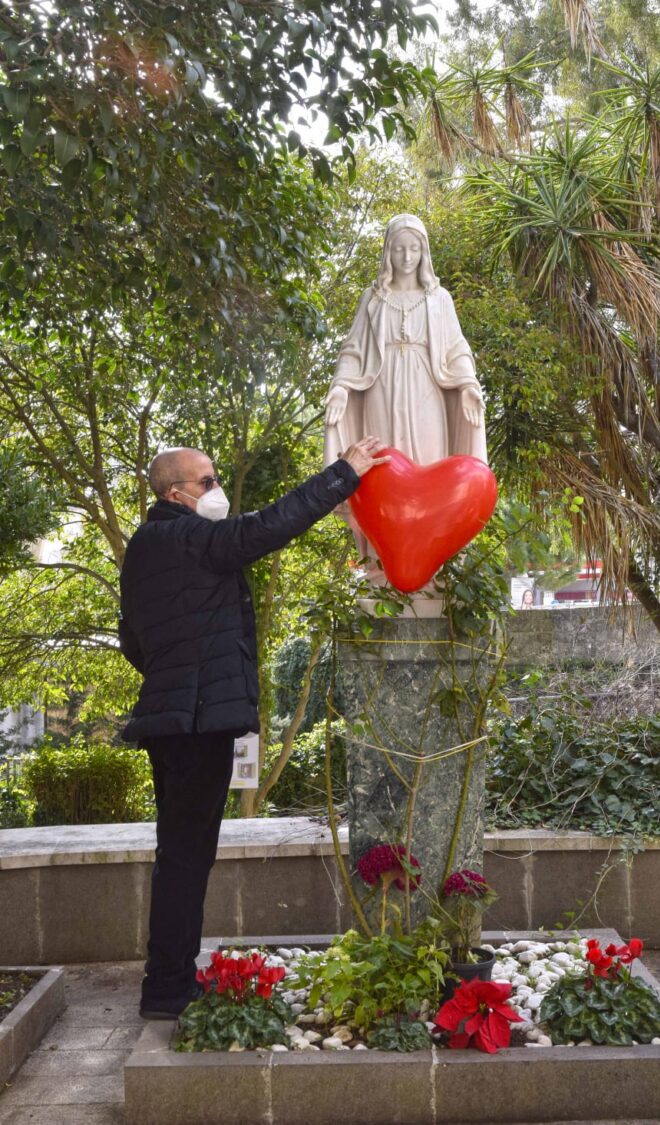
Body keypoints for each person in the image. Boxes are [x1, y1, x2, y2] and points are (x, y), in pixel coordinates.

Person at [118, 437, 388, 1019]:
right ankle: (166, 990)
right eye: (207, 482)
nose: (217, 491)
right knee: (188, 858)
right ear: (176, 493)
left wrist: (180, 675)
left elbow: (132, 641)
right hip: (197, 724)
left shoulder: (144, 548)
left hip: (171, 721)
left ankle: (166, 980)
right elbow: (266, 528)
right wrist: (344, 474)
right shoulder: (190, 538)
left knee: (180, 855)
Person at [323, 214, 486, 566]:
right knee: (381, 466)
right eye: (399, 249)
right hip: (380, 389)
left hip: (427, 390)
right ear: (388, 253)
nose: (407, 256)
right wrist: (339, 388)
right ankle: (382, 561)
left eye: (414, 248)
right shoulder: (373, 298)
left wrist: (469, 384)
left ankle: (430, 561)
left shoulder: (439, 298)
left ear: (424, 252)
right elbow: (353, 350)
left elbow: (456, 348)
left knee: (429, 468)